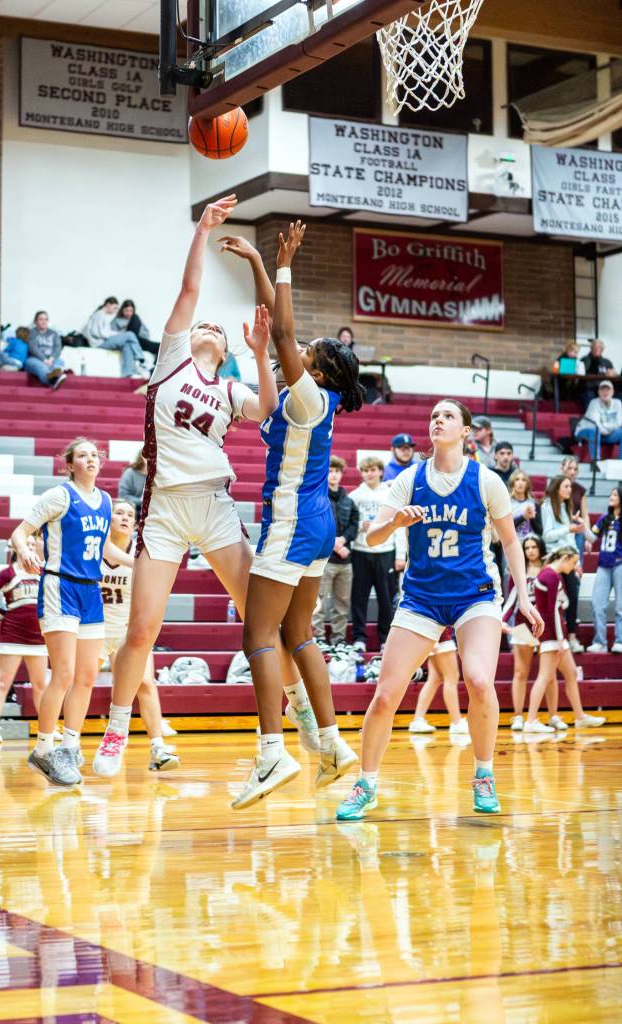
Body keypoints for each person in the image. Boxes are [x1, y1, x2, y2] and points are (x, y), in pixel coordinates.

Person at [91, 197, 319, 780]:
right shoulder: (169, 361)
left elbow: (271, 408)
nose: (210, 326)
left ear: (229, 346)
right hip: (164, 509)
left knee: (259, 620)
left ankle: (301, 718)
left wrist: (263, 352)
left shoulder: (231, 386)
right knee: (143, 629)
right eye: (205, 326)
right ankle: (118, 729)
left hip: (215, 507)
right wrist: (202, 229)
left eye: (221, 328)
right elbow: (190, 291)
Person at [335, 398, 544, 822]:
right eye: (433, 416)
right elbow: (373, 538)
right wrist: (395, 524)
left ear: (466, 431)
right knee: (385, 694)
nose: (438, 421)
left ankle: (483, 774)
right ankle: (366, 783)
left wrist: (522, 595)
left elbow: (509, 542)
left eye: (448, 416)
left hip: (475, 594)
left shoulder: (486, 481)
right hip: (422, 597)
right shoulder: (410, 479)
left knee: (480, 680)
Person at [234, 218, 365, 810]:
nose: (300, 346)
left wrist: (285, 265)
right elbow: (276, 328)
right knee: (299, 632)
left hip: (291, 521)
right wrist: (262, 266)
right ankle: (334, 746)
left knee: (257, 635)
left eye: (310, 351)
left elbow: (283, 329)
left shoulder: (310, 394)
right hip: (315, 524)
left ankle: (271, 752)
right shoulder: (310, 396)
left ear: (320, 369)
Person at [10, 437, 133, 787]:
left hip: (90, 591)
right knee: (62, 673)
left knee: (87, 675)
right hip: (59, 586)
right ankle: (43, 748)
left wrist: (138, 563)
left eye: (95, 455)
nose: (91, 459)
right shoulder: (60, 496)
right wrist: (25, 552)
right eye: (83, 455)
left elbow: (106, 547)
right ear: (69, 464)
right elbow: (21, 532)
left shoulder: (106, 500)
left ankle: (69, 746)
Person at [98, 499, 179, 771]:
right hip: (95, 629)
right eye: (118, 512)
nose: (124, 517)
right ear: (108, 519)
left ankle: (158, 748)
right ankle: (68, 746)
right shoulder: (96, 548)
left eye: (129, 515)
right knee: (79, 683)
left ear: (134, 523)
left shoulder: (141, 552)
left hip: (127, 630)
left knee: (145, 683)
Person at [525, 548, 606, 732]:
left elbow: (543, 605)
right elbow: (553, 610)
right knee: (544, 676)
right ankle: (530, 721)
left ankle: (579, 717)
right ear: (564, 558)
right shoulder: (552, 576)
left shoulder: (546, 573)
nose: (575, 566)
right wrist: (560, 640)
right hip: (553, 635)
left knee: (570, 675)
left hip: (553, 633)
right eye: (574, 562)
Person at [0, 536, 48, 743]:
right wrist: (9, 615)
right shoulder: (7, 573)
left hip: (38, 638)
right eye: (25, 545)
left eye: (32, 545)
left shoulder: (44, 572)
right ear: (15, 548)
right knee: (3, 682)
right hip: (12, 636)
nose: (29, 548)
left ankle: (46, 729)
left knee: (40, 685)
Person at [502, 534, 559, 731]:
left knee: (549, 673)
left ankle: (553, 716)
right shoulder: (519, 571)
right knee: (520, 672)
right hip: (523, 626)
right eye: (527, 548)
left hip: (547, 627)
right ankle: (518, 716)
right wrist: (501, 620)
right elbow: (511, 600)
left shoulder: (549, 570)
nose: (531, 550)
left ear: (540, 547)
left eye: (534, 546)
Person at [349, 456, 399, 653]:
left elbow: (400, 527)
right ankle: (359, 637)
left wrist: (401, 555)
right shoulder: (354, 496)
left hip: (386, 552)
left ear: (380, 471)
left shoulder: (390, 494)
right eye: (365, 470)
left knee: (386, 598)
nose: (369, 473)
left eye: (373, 470)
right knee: (359, 597)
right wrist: (361, 527)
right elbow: (350, 525)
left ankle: (386, 637)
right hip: (361, 551)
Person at [311, 455, 359, 651]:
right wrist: (333, 543)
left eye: (337, 471)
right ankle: (319, 637)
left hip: (345, 561)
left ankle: (338, 638)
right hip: (324, 559)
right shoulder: (318, 497)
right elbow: (317, 524)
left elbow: (354, 524)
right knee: (320, 602)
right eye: (330, 471)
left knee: (342, 603)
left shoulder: (348, 500)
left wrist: (344, 541)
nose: (334, 475)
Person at [540, 474, 592, 653]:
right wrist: (568, 528)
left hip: (568, 558)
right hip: (554, 559)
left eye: (570, 486)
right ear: (557, 488)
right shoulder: (547, 506)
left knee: (573, 596)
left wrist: (576, 559)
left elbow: (570, 538)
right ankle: (549, 637)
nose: (570, 490)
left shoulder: (565, 506)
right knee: (555, 599)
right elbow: (547, 536)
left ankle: (571, 636)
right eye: (567, 486)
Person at [407, 629, 469, 736]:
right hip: (441, 637)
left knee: (434, 679)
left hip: (435, 637)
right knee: (451, 678)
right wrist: (435, 640)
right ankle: (457, 722)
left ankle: (418, 720)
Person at [588, 486, 622, 654]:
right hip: (603, 565)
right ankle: (600, 642)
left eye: (615, 494)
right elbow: (592, 536)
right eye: (611, 494)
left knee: (621, 606)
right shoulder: (604, 518)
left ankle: (620, 640)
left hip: (620, 564)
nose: (611, 496)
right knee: (597, 603)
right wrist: (582, 527)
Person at [83, 297, 150, 380]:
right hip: (99, 343)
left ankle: (127, 373)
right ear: (108, 305)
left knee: (127, 345)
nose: (115, 310)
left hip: (104, 341)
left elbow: (105, 331)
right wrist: (117, 335)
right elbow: (97, 332)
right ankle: (142, 361)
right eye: (114, 308)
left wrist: (117, 334)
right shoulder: (99, 314)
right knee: (130, 334)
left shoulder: (103, 315)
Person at [575, 379, 622, 460]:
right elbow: (596, 424)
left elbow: (619, 423)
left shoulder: (618, 403)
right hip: (585, 431)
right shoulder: (594, 403)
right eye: (602, 389)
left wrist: (607, 429)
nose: (605, 392)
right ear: (598, 392)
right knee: (595, 430)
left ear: (613, 391)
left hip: (605, 433)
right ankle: (595, 461)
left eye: (608, 389)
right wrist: (608, 429)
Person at [26, 311, 67, 389]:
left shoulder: (54, 334)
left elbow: (57, 347)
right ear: (35, 321)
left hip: (51, 359)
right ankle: (51, 379)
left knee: (59, 362)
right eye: (41, 319)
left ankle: (56, 377)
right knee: (41, 367)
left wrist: (51, 358)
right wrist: (44, 360)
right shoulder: (31, 333)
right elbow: (33, 347)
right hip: (35, 359)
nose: (43, 321)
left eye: (46, 319)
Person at [561, 455, 591, 558]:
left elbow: (585, 515)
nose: (573, 472)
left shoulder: (581, 490)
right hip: (560, 525)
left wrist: (588, 537)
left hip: (576, 527)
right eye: (569, 468)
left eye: (575, 469)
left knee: (577, 559)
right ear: (562, 468)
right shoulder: (554, 486)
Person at [113, 299, 159, 364]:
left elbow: (146, 334)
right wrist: (125, 330)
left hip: (139, 340)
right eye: (126, 311)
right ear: (122, 310)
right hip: (128, 340)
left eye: (130, 311)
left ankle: (154, 368)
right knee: (135, 317)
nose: (128, 313)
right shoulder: (116, 320)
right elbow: (114, 336)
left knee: (161, 347)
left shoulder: (136, 320)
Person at [509, 470, 542, 539]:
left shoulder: (534, 504)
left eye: (524, 480)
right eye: (517, 479)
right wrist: (523, 517)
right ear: (512, 483)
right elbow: (506, 528)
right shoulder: (507, 503)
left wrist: (532, 518)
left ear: (527, 484)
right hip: (512, 542)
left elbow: (540, 532)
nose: (520, 483)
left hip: (530, 543)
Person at [117, 449, 147, 519]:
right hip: (132, 513)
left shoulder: (158, 476)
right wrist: (142, 501)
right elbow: (123, 497)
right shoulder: (130, 473)